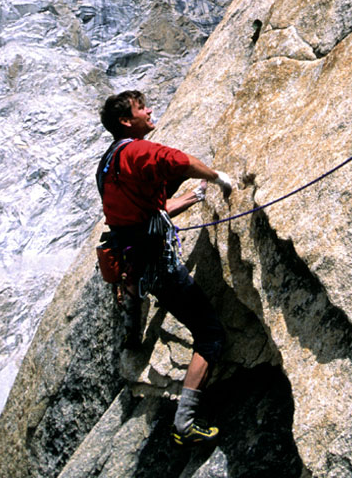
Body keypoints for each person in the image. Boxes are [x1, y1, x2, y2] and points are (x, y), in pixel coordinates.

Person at [97, 89, 234, 446]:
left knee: (163, 302)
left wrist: (192, 196)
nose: (149, 110)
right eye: (142, 108)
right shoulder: (138, 151)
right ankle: (185, 423)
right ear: (127, 120)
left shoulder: (109, 162)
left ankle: (131, 330)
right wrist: (218, 177)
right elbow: (181, 161)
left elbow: (143, 216)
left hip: (135, 261)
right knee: (210, 335)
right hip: (159, 264)